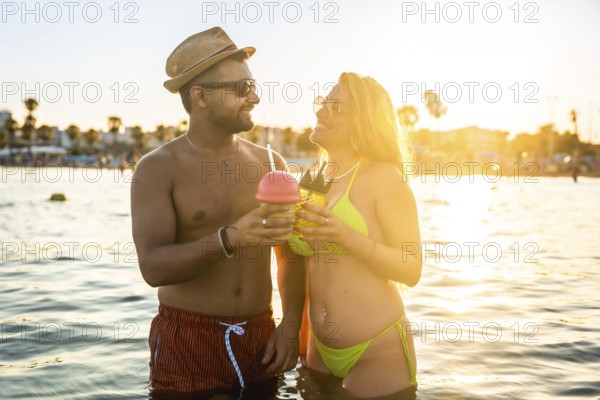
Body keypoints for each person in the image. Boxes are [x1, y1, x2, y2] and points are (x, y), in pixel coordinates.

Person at [130, 27, 305, 394]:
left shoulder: (272, 163)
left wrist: (290, 324)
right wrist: (231, 238)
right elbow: (153, 266)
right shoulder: (158, 168)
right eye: (241, 89)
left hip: (260, 339)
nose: (254, 98)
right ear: (200, 96)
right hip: (187, 341)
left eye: (254, 87)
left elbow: (290, 255)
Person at [289, 72, 422, 397]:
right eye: (323, 102)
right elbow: (299, 258)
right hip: (319, 350)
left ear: (362, 121)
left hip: (376, 350)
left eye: (335, 106)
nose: (320, 111)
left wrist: (345, 236)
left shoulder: (384, 177)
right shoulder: (313, 179)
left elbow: (411, 267)